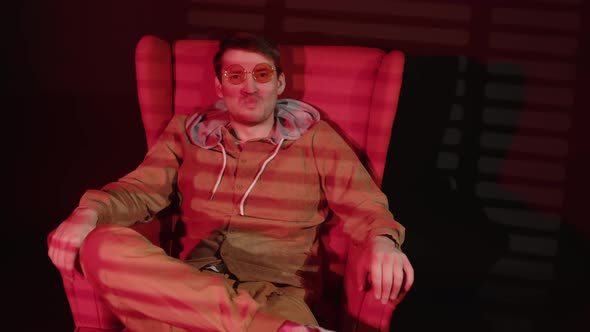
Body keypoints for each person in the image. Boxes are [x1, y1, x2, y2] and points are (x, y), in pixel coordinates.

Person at [47, 32, 414, 332]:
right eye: (235, 76)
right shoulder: (184, 134)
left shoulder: (317, 138)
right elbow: (138, 192)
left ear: (280, 82)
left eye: (262, 75)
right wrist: (88, 213)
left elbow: (364, 204)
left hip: (275, 296)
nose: (248, 88)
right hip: (186, 289)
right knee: (100, 244)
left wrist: (383, 240)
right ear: (219, 86)